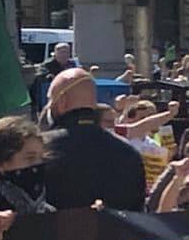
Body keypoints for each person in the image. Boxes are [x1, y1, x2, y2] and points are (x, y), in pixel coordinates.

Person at [41, 68, 145, 213]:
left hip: (53, 233)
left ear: (62, 101)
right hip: (116, 233)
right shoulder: (128, 152)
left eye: (50, 100)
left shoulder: (39, 149)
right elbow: (137, 212)